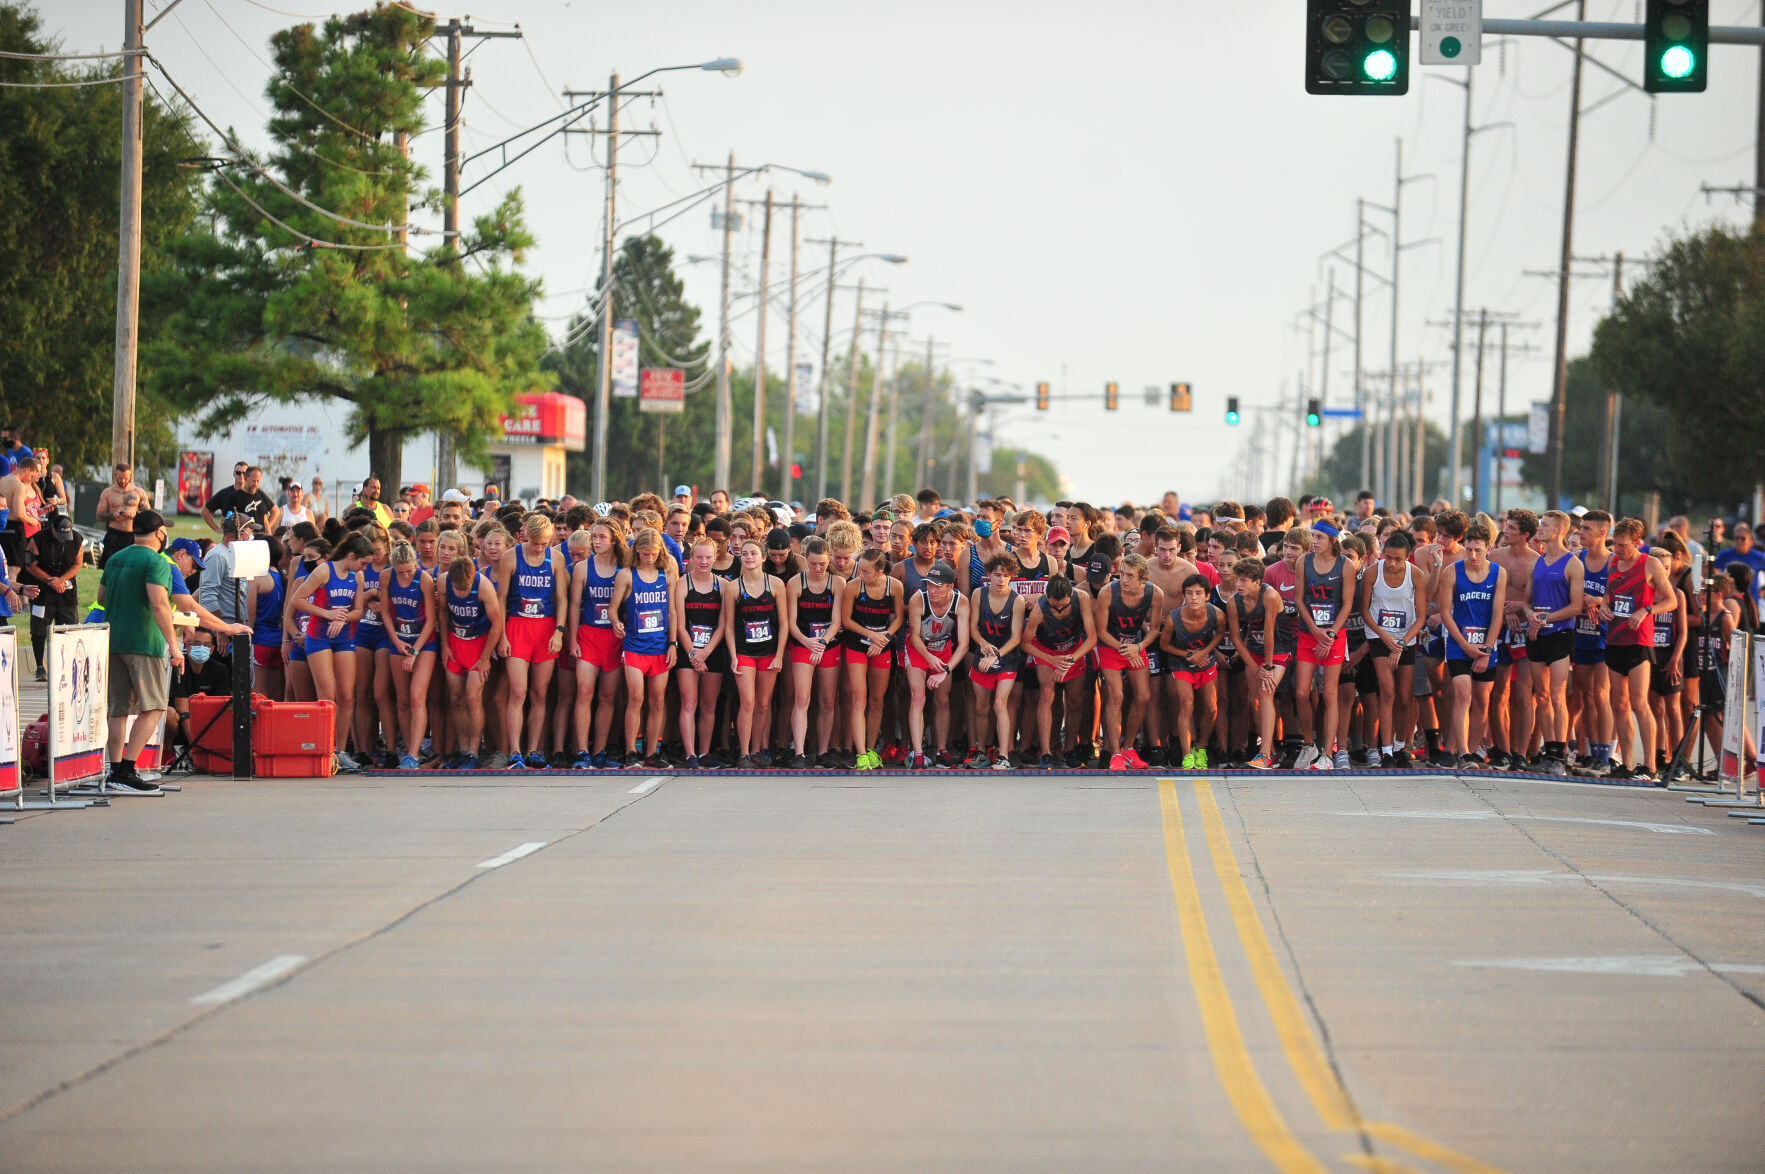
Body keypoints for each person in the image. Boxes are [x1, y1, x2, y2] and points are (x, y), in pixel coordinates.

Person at [96, 510, 182, 794]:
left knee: (119, 709)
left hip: (115, 640)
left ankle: (115, 770)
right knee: (155, 706)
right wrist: (173, 644)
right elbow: (159, 603)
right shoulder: (156, 561)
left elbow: (101, 597)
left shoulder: (115, 558)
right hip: (144, 642)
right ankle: (127, 769)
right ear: (159, 533)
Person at [1601, 517, 1678, 781]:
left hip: (1639, 642)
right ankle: (1627, 764)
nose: (1618, 550)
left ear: (1637, 543)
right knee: (1619, 704)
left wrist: (1647, 610)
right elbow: (1607, 596)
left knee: (1639, 703)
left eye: (1623, 545)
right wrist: (1603, 607)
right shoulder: (1612, 562)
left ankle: (1650, 765)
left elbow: (1671, 601)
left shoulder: (1650, 564)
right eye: (1616, 544)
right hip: (1614, 640)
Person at [289, 531, 370, 772]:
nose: (364, 567)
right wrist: (327, 614)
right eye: (363, 562)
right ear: (351, 555)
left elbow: (358, 612)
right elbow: (298, 600)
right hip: (319, 636)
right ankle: (324, 748)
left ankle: (340, 750)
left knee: (346, 696)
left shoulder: (357, 576)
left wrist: (342, 618)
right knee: (328, 696)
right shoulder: (324, 571)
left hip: (344, 637)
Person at [498, 513, 567, 770]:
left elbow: (562, 598)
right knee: (517, 692)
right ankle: (514, 750)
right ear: (525, 535)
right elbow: (501, 599)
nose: (539, 548)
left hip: (545, 628)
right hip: (517, 627)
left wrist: (559, 631)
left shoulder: (556, 558)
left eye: (544, 544)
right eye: (535, 543)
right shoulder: (511, 557)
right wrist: (502, 635)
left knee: (539, 693)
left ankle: (533, 749)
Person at [1439, 519, 1506, 768]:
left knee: (1482, 699)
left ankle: (1475, 749)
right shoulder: (1452, 571)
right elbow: (1445, 612)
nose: (1473, 555)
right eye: (1469, 550)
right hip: (1459, 642)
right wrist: (1465, 646)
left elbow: (1498, 614)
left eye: (1478, 550)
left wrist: (1486, 651)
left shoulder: (1499, 573)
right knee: (1462, 694)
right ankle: (1463, 752)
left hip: (1486, 644)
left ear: (1488, 548)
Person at [436, 528, 502, 769]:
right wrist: (445, 645)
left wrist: (485, 658)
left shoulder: (483, 586)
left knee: (473, 698)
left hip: (479, 643)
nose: (462, 593)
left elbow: (497, 623)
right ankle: (463, 749)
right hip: (455, 641)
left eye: (465, 589)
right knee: (455, 698)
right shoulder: (444, 582)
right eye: (458, 589)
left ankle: (474, 751)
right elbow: (442, 613)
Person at [1360, 529, 1426, 767]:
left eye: (1398, 559)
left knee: (1405, 696)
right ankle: (1385, 750)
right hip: (1379, 637)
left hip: (1405, 638)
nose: (1392, 563)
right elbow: (1364, 610)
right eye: (1388, 557)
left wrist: (1402, 642)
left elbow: (1421, 616)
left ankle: (1400, 746)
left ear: (1407, 558)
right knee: (1387, 692)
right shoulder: (1371, 573)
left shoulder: (1415, 575)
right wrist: (1384, 637)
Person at [611, 528, 675, 768]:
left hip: (659, 645)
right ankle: (630, 752)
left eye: (653, 553)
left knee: (658, 701)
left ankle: (652, 753)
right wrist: (616, 622)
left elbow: (672, 612)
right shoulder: (627, 575)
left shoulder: (666, 574)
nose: (649, 557)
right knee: (636, 698)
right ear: (637, 550)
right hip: (635, 645)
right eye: (645, 553)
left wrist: (673, 644)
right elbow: (613, 608)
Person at [569, 520, 629, 768]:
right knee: (584, 693)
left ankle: (601, 750)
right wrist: (571, 638)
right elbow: (574, 605)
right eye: (594, 536)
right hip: (589, 634)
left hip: (614, 638)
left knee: (608, 695)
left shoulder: (624, 567)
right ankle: (583, 751)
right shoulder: (583, 568)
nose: (596, 541)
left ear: (614, 539)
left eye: (602, 537)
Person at [1021, 573, 1097, 768]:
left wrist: (1071, 659)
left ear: (1071, 594)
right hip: (1047, 651)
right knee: (1046, 695)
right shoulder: (1040, 609)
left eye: (1063, 605)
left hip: (1073, 649)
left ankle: (1070, 748)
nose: (1059, 609)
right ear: (1047, 598)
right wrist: (1051, 659)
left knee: (1075, 701)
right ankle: (1046, 750)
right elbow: (1025, 643)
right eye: (1055, 605)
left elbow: (1091, 638)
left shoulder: (1082, 599)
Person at [1094, 553, 1162, 770]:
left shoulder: (1155, 593)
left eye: (1130, 576)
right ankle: (1114, 753)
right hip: (1111, 646)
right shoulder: (1108, 592)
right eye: (1122, 574)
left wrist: (1138, 648)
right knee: (1116, 695)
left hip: (1135, 645)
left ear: (1142, 578)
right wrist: (1125, 649)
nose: (1123, 579)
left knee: (1143, 696)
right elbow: (1101, 631)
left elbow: (1155, 630)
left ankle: (1129, 748)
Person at [671, 535, 731, 770]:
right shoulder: (682, 583)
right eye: (699, 557)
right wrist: (694, 654)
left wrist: (705, 652)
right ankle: (690, 754)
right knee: (689, 703)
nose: (703, 562)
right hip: (688, 651)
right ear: (692, 558)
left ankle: (705, 752)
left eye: (708, 557)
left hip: (712, 651)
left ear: (715, 558)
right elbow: (679, 624)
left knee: (709, 706)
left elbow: (723, 625)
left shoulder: (723, 586)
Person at [726, 537, 786, 768]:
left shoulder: (775, 585)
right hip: (744, 651)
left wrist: (780, 654)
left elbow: (783, 623)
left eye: (753, 553)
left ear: (762, 557)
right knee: (748, 702)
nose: (749, 557)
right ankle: (743, 752)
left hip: (769, 651)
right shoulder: (734, 587)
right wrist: (733, 655)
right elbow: (729, 626)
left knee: (763, 704)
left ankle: (757, 750)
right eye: (745, 554)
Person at [840, 548, 902, 771]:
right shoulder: (854, 586)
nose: (860, 574)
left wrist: (884, 638)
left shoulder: (894, 586)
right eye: (859, 570)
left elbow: (898, 619)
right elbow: (846, 620)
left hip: (881, 646)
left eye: (866, 572)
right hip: (858, 644)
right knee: (859, 698)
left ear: (879, 572)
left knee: (877, 699)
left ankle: (871, 748)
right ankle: (860, 752)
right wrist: (871, 635)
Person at [785, 536, 844, 768]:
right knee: (802, 698)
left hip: (827, 644)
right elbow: (790, 622)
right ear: (805, 560)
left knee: (828, 699)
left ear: (828, 560)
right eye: (812, 564)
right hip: (802, 643)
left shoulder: (837, 583)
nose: (817, 568)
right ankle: (799, 752)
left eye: (822, 564)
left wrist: (822, 642)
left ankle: (822, 751)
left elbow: (836, 620)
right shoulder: (796, 583)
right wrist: (808, 642)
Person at [903, 561, 969, 769]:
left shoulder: (961, 602)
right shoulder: (918, 599)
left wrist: (946, 669)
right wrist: (929, 659)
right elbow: (914, 637)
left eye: (937, 586)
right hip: (919, 648)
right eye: (929, 585)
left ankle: (942, 748)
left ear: (950, 587)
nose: (932, 590)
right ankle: (919, 752)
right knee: (919, 696)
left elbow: (964, 644)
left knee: (942, 699)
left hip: (943, 648)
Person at [381, 540, 439, 769]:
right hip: (399, 638)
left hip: (423, 642)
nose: (405, 574)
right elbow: (385, 612)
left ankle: (414, 753)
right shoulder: (387, 577)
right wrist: (396, 641)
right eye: (400, 571)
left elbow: (431, 620)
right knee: (403, 699)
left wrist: (414, 651)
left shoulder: (423, 579)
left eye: (408, 570)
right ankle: (408, 748)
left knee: (417, 696)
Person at [967, 552, 1025, 770]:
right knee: (981, 706)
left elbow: (1016, 637)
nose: (1001, 579)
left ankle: (1003, 755)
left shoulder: (1016, 600)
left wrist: (996, 655)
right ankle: (982, 751)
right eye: (997, 574)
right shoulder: (978, 595)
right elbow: (972, 627)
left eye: (1006, 575)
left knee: (1000, 703)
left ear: (1012, 577)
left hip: (1006, 657)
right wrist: (982, 643)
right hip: (983, 654)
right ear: (989, 574)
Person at [1227, 557, 1285, 770]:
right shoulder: (1234, 601)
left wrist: (1268, 667)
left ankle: (1265, 754)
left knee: (1266, 693)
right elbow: (1235, 637)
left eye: (1244, 581)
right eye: (1237, 580)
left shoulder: (1269, 595)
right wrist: (1254, 666)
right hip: (1253, 649)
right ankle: (1272, 751)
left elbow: (1270, 633)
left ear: (1258, 582)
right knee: (1254, 700)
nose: (1239, 585)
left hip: (1277, 649)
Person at [1160, 573, 1223, 769]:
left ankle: (1201, 748)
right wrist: (1187, 655)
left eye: (1198, 593)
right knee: (1186, 706)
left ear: (1206, 596)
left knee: (1212, 708)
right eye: (1189, 593)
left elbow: (1220, 634)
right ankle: (1187, 754)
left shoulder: (1217, 614)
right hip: (1182, 664)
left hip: (1206, 661)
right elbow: (1164, 645)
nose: (1193, 598)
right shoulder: (1173, 619)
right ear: (1184, 596)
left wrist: (1204, 652)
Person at [24, 509, 83, 680]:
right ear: (53, 530)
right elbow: (29, 565)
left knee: (69, 628)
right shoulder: (37, 539)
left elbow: (78, 564)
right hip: (42, 590)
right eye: (60, 535)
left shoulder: (77, 540)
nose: (62, 539)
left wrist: (61, 580)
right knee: (39, 629)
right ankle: (40, 667)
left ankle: (65, 666)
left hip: (66, 590)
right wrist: (50, 580)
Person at [245, 534, 288, 702]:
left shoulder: (258, 578)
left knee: (258, 691)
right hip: (279, 640)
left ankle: (257, 727)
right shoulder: (282, 576)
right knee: (277, 692)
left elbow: (251, 615)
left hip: (261, 640)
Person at [96, 464, 142, 567]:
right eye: (120, 478)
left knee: (130, 569)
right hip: (113, 536)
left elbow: (148, 516)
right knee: (110, 568)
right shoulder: (107, 492)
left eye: (126, 478)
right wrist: (112, 515)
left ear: (131, 475)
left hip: (132, 536)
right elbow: (99, 515)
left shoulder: (139, 492)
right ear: (115, 475)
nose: (123, 481)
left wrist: (135, 514)